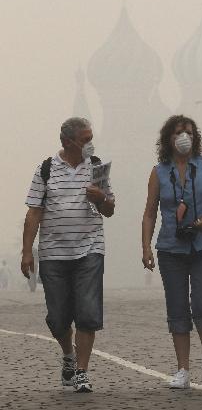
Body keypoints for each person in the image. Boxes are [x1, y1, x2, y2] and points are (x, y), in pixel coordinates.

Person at [21, 117, 115, 393]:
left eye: (90, 138)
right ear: (67, 141)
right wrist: (27, 251)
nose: (90, 143)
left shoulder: (97, 166)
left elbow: (109, 210)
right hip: (53, 254)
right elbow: (34, 211)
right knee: (59, 317)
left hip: (90, 249)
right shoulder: (46, 169)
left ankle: (82, 372)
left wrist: (100, 197)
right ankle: (68, 355)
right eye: (85, 139)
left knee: (87, 311)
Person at [142, 115, 202, 389]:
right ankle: (183, 369)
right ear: (168, 138)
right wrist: (146, 247)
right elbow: (149, 213)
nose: (184, 138)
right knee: (177, 308)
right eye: (179, 133)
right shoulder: (158, 172)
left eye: (189, 133)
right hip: (171, 247)